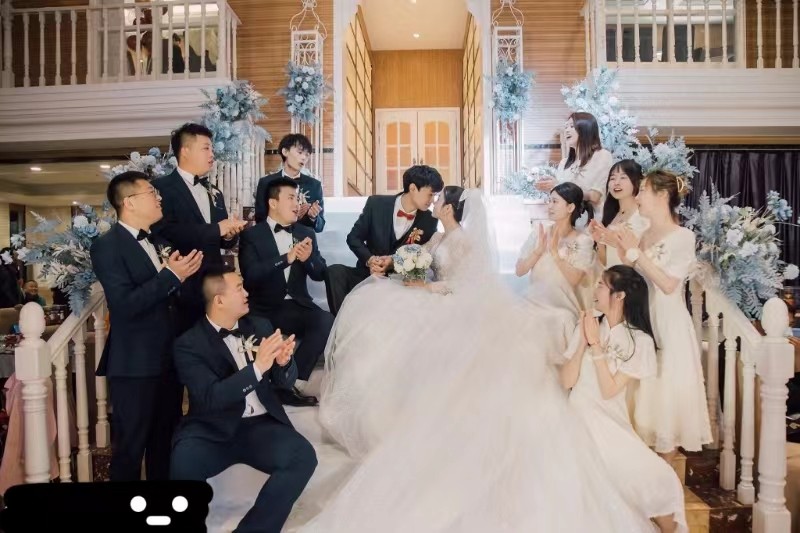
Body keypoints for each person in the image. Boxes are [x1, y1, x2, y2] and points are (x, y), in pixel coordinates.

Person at [286, 187, 655, 532]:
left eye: (439, 201)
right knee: (379, 308)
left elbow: (468, 284)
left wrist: (430, 286)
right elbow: (443, 262)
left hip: (483, 300)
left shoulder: (467, 242)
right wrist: (404, 268)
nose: (434, 204)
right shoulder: (438, 236)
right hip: (455, 294)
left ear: (449, 208)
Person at [170, 266, 317, 533]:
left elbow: (283, 383)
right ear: (219, 300)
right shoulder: (188, 344)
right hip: (211, 429)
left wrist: (284, 363)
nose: (247, 293)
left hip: (260, 426)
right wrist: (257, 368)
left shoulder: (260, 326)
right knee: (183, 461)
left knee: (303, 457)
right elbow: (211, 397)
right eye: (239, 288)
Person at [90, 170, 203, 481]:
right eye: (152, 193)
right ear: (129, 202)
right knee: (130, 450)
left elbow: (170, 297)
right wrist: (171, 276)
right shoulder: (107, 246)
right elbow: (124, 305)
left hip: (168, 359)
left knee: (164, 445)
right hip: (135, 364)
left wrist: (185, 280)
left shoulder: (158, 241)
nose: (159, 198)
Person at [559, 265, 687, 533]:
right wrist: (583, 342)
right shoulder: (588, 325)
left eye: (601, 285)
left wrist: (596, 345)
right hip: (577, 419)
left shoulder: (639, 341)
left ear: (619, 296)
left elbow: (608, 391)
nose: (595, 289)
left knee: (660, 480)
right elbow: (567, 381)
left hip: (610, 423)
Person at [612, 170, 713, 460]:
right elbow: (636, 274)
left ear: (662, 195)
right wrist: (621, 248)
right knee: (643, 399)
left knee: (665, 400)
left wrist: (635, 253)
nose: (638, 197)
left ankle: (666, 480)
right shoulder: (644, 234)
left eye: (643, 190)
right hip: (643, 320)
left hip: (668, 324)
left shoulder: (683, 237)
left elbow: (668, 285)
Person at [239, 177, 332, 407]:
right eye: (291, 198)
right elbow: (251, 275)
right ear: (273, 203)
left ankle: (293, 384)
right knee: (262, 331)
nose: (297, 203)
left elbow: (320, 273)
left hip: (296, 305)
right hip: (263, 307)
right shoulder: (252, 235)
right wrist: (285, 259)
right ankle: (265, 389)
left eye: (297, 198)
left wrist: (308, 259)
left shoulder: (306, 233)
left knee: (325, 320)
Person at [152, 123, 247, 334]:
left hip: (214, 285)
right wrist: (216, 230)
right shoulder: (161, 188)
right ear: (185, 151)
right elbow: (164, 232)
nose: (212, 154)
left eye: (212, 148)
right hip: (183, 285)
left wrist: (228, 236)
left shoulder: (215, 192)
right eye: (206, 148)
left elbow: (221, 238)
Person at [324, 165, 444, 316]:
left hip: (398, 281)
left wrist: (393, 263)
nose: (432, 201)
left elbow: (420, 256)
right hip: (367, 275)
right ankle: (342, 322)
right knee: (334, 272)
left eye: (435, 196)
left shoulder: (429, 221)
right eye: (430, 195)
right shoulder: (376, 204)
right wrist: (370, 260)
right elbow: (353, 238)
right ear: (413, 188)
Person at [515, 182, 596, 320]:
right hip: (535, 303)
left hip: (563, 308)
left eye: (555, 202)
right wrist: (537, 252)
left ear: (570, 207)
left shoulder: (583, 240)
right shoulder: (539, 233)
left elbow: (575, 280)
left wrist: (555, 253)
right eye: (549, 201)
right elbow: (519, 271)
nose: (550, 206)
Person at [536, 112, 613, 225]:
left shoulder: (602, 156)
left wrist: (559, 186)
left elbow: (594, 196)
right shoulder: (564, 163)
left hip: (591, 223)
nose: (567, 130)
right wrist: (552, 186)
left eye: (572, 126)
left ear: (586, 128)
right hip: (566, 223)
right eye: (566, 127)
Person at [254, 134, 325, 233]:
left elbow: (320, 227)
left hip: (305, 240)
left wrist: (313, 217)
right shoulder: (266, 182)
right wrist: (287, 215)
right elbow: (260, 219)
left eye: (307, 155)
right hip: (274, 239)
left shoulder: (314, 185)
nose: (304, 157)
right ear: (285, 152)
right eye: (300, 152)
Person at [589, 159, 650, 268]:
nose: (616, 183)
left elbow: (647, 261)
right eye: (612, 178)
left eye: (623, 177)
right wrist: (600, 241)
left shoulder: (644, 216)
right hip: (613, 276)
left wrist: (617, 243)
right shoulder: (611, 215)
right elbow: (605, 263)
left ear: (637, 182)